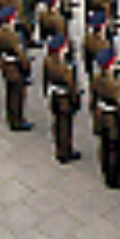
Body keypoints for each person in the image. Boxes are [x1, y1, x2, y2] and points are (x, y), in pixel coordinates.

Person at [91, 48, 120, 189]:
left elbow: (93, 99)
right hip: (113, 120)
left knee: (105, 147)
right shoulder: (114, 86)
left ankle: (106, 171)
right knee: (116, 150)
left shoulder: (96, 78)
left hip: (101, 116)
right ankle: (114, 178)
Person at [43, 34, 81, 164]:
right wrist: (76, 100)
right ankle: (65, 152)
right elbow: (71, 86)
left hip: (54, 96)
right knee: (65, 126)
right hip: (64, 100)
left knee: (58, 124)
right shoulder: (64, 68)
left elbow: (45, 80)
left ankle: (60, 148)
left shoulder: (48, 61)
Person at [0, 6, 33, 131]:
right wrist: (27, 68)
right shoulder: (12, 36)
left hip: (6, 65)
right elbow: (20, 54)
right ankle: (17, 120)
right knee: (18, 94)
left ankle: (10, 116)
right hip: (15, 67)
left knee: (10, 93)